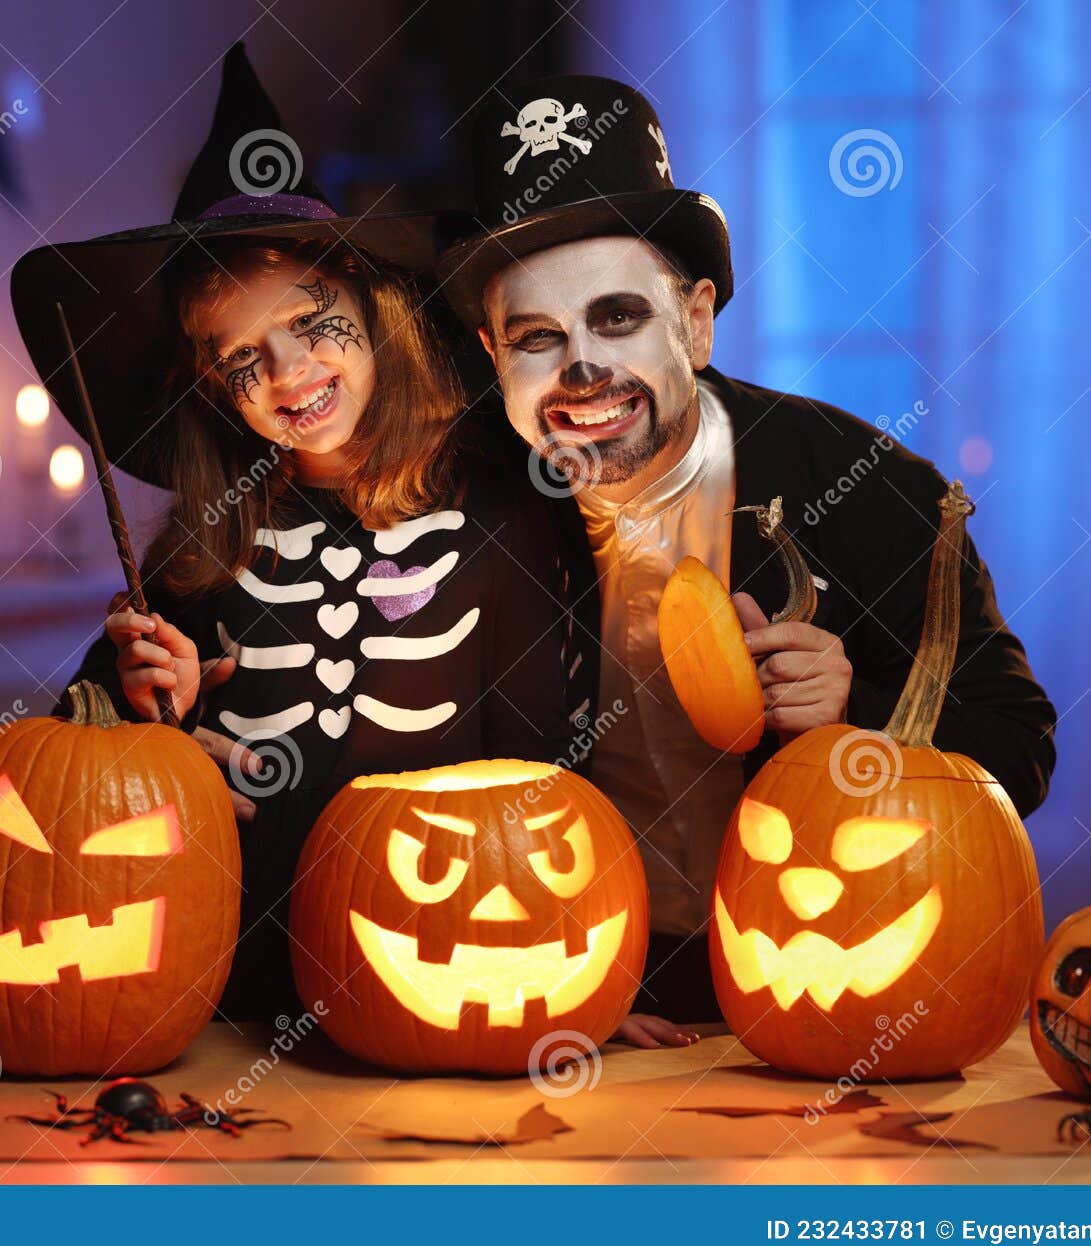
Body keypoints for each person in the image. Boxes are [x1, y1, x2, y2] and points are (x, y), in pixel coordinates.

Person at [438, 74, 1057, 1042]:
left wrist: (858, 729)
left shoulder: (866, 482)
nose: (580, 370)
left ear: (693, 318)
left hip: (825, 983)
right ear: (489, 353)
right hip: (559, 984)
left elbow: (1017, 753)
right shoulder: (461, 496)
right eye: (535, 339)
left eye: (616, 319)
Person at [11, 46, 596, 1023]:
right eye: (243, 357)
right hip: (225, 995)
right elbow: (64, 784)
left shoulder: (506, 524)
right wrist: (148, 735)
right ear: (212, 388)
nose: (288, 375)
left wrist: (603, 981)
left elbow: (548, 778)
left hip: (450, 982)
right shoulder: (202, 558)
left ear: (377, 309)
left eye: (311, 323)